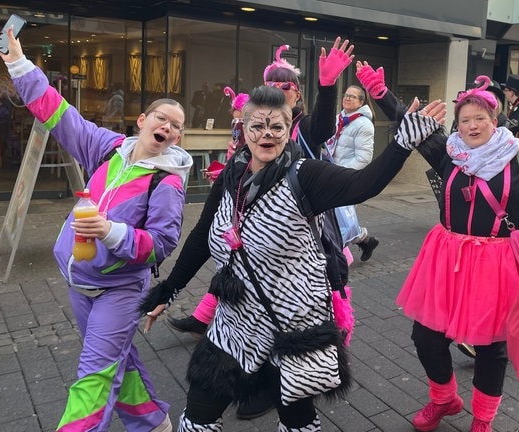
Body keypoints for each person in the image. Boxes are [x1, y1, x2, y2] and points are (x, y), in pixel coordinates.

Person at [140, 84, 445, 432]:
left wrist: (402, 143)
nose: (266, 135)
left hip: (294, 327)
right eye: (257, 126)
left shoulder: (305, 175)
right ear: (243, 129)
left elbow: (365, 184)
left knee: (297, 421)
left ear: (288, 130)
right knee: (198, 413)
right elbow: (200, 239)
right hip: (235, 322)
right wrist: (168, 291)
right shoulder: (232, 175)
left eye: (277, 127)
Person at [0, 27, 193, 432]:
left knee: (95, 375)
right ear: (142, 120)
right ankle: (152, 420)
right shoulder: (108, 148)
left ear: (177, 138)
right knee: (117, 357)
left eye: (176, 126)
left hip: (119, 290)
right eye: (161, 119)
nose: (167, 128)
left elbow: (160, 245)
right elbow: (59, 114)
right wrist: (16, 60)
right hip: (79, 282)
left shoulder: (166, 183)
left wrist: (111, 232)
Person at [160, 38, 356, 421]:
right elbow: (209, 222)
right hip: (248, 241)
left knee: (289, 326)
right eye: (274, 86)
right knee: (240, 294)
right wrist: (170, 287)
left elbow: (319, 129)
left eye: (288, 88)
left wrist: (329, 86)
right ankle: (251, 370)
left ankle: (278, 386)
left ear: (297, 99)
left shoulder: (299, 129)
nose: (280, 94)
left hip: (298, 241)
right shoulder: (257, 126)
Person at [395, 76, 519, 432]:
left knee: (491, 347)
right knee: (426, 336)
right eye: (465, 119)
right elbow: (411, 125)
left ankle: (483, 418)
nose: (472, 125)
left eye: (479, 118)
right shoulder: (451, 153)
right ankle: (444, 399)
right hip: (447, 258)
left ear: (494, 120)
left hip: (498, 263)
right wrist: (380, 93)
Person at [325, 84, 380, 260]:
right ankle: (366, 240)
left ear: (361, 102)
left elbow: (363, 158)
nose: (347, 98)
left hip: (345, 178)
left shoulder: (364, 125)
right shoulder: (338, 119)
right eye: (346, 95)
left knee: (339, 219)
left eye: (353, 96)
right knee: (340, 218)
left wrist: (341, 173)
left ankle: (337, 259)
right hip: (331, 173)